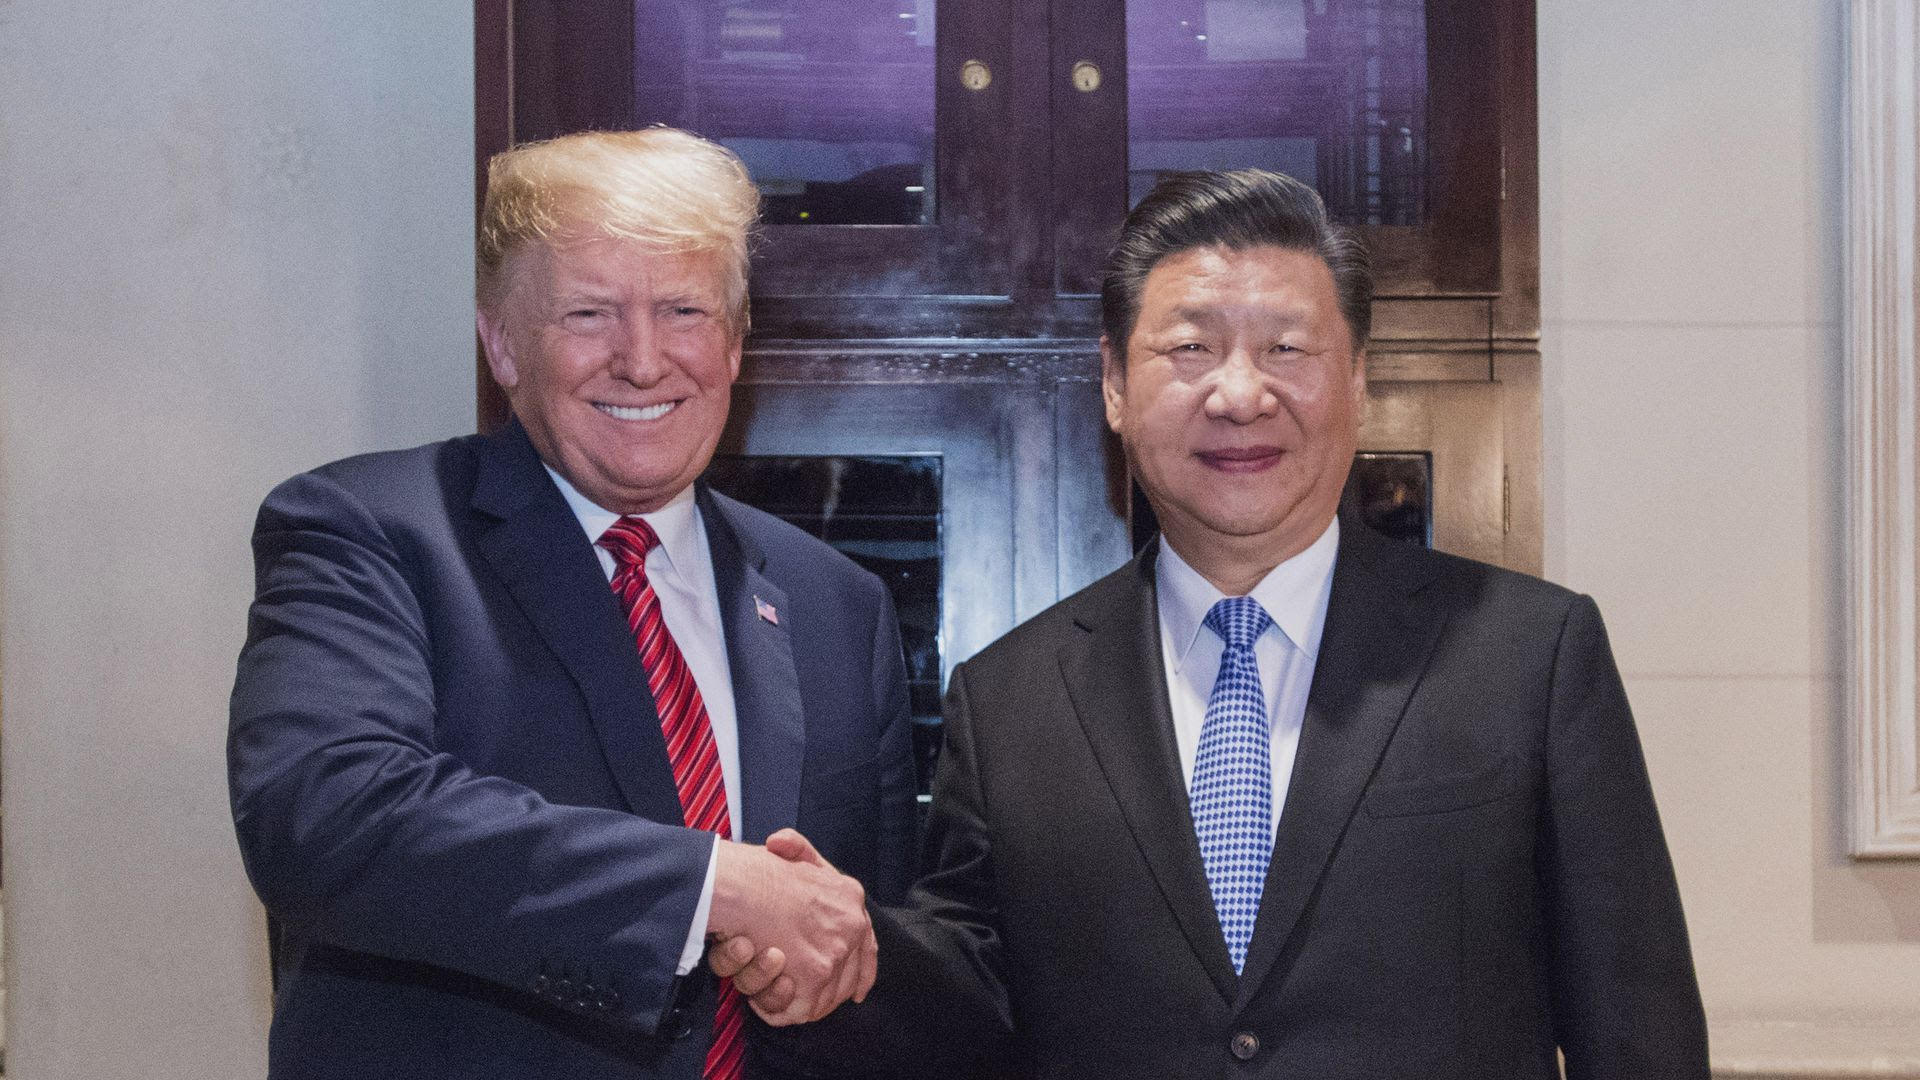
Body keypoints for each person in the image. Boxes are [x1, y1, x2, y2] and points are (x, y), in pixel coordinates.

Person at [716, 169, 1709, 1078]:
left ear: (1358, 379)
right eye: (1190, 349)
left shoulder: (1527, 654)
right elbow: (976, 996)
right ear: (1114, 382)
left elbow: (1637, 1026)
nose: (1240, 394)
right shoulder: (1012, 695)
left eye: (1288, 349)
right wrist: (842, 951)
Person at [227, 127, 918, 1080]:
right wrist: (712, 887)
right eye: (589, 314)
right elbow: (326, 816)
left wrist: (831, 970)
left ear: (734, 339)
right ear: (501, 342)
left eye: (683, 309)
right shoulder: (368, 531)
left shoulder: (837, 605)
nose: (642, 361)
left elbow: (860, 944)